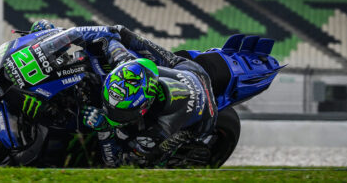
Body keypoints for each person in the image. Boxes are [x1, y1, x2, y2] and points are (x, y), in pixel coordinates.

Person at [28, 19, 217, 167]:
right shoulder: (122, 61)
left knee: (151, 159)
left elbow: (120, 164)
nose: (110, 112)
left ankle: (177, 150)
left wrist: (104, 129)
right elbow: (110, 33)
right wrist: (53, 39)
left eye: (121, 112)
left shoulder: (161, 128)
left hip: (205, 115)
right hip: (186, 69)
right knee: (122, 33)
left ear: (143, 108)